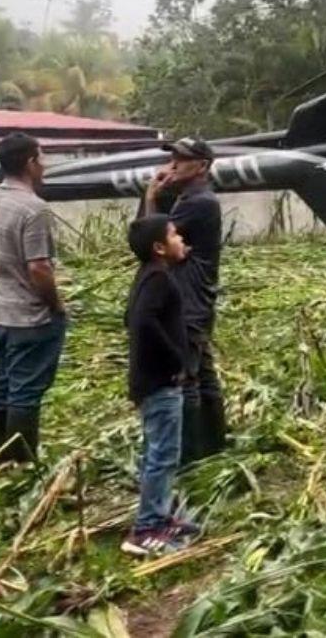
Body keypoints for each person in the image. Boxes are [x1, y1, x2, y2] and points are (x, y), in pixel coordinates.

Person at [0, 132, 65, 464]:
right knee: (25, 391)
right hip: (28, 315)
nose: (45, 165)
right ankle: (21, 462)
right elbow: (39, 268)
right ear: (30, 162)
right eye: (42, 157)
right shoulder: (33, 208)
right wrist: (55, 304)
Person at [141, 137, 226, 464]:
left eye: (182, 158)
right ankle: (214, 444)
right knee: (201, 372)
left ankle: (190, 455)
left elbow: (151, 241)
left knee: (185, 378)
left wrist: (151, 195)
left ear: (202, 166)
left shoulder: (198, 202)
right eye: (172, 156)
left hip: (188, 302)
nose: (173, 163)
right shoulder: (190, 199)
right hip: (194, 299)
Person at [120, 215, 200, 556]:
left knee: (157, 451)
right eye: (174, 235)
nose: (180, 238)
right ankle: (147, 528)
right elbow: (141, 323)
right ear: (159, 248)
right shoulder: (160, 281)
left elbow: (129, 318)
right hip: (160, 382)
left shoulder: (149, 276)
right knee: (163, 456)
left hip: (148, 380)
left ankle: (159, 515)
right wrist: (177, 362)